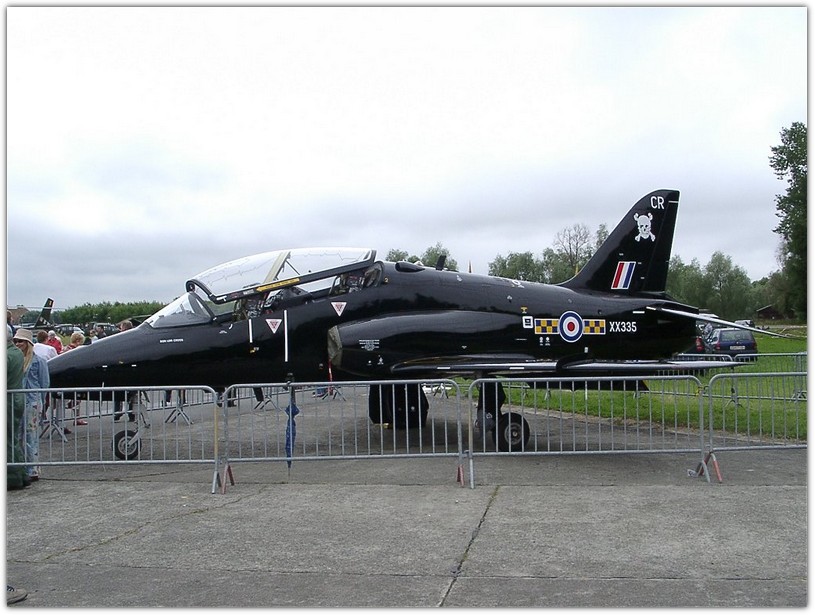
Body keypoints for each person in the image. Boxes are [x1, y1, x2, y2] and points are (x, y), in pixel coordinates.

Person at [12, 329, 50, 481]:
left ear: (28, 343)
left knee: (31, 436)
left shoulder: (39, 361)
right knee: (17, 435)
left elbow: (44, 383)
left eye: (20, 341)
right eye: (15, 341)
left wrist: (41, 403)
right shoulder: (15, 360)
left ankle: (32, 469)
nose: (17, 344)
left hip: (32, 402)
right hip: (17, 401)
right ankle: (20, 467)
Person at [7, 326, 29, 491]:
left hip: (8, 399)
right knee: (12, 438)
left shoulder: (7, 355)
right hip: (16, 397)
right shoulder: (16, 353)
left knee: (7, 439)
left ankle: (12, 477)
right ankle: (21, 474)